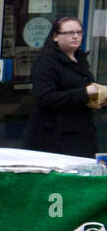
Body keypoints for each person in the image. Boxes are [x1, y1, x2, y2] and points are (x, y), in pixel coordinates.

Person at [24, 16, 101, 159]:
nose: (76, 36)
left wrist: (100, 100)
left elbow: (83, 97)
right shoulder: (46, 63)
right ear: (55, 37)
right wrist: (84, 92)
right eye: (69, 33)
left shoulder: (80, 60)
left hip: (82, 133)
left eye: (79, 32)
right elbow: (44, 98)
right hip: (55, 137)